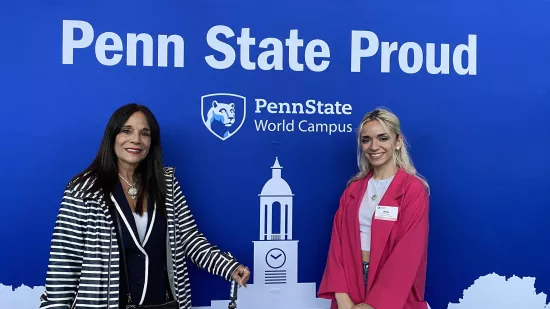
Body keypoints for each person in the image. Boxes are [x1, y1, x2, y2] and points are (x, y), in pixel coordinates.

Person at [39, 103, 250, 309]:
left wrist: (228, 267)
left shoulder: (167, 184)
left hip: (163, 302)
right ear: (112, 137)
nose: (136, 140)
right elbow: (64, 263)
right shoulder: (83, 190)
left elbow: (189, 239)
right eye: (126, 131)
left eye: (145, 133)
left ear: (152, 142)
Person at [317, 108, 430, 309]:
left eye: (383, 138)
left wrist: (374, 305)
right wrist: (342, 297)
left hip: (393, 290)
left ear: (398, 142)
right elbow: (337, 247)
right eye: (366, 139)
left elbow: (408, 253)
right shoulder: (353, 190)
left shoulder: (413, 189)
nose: (373, 146)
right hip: (351, 284)